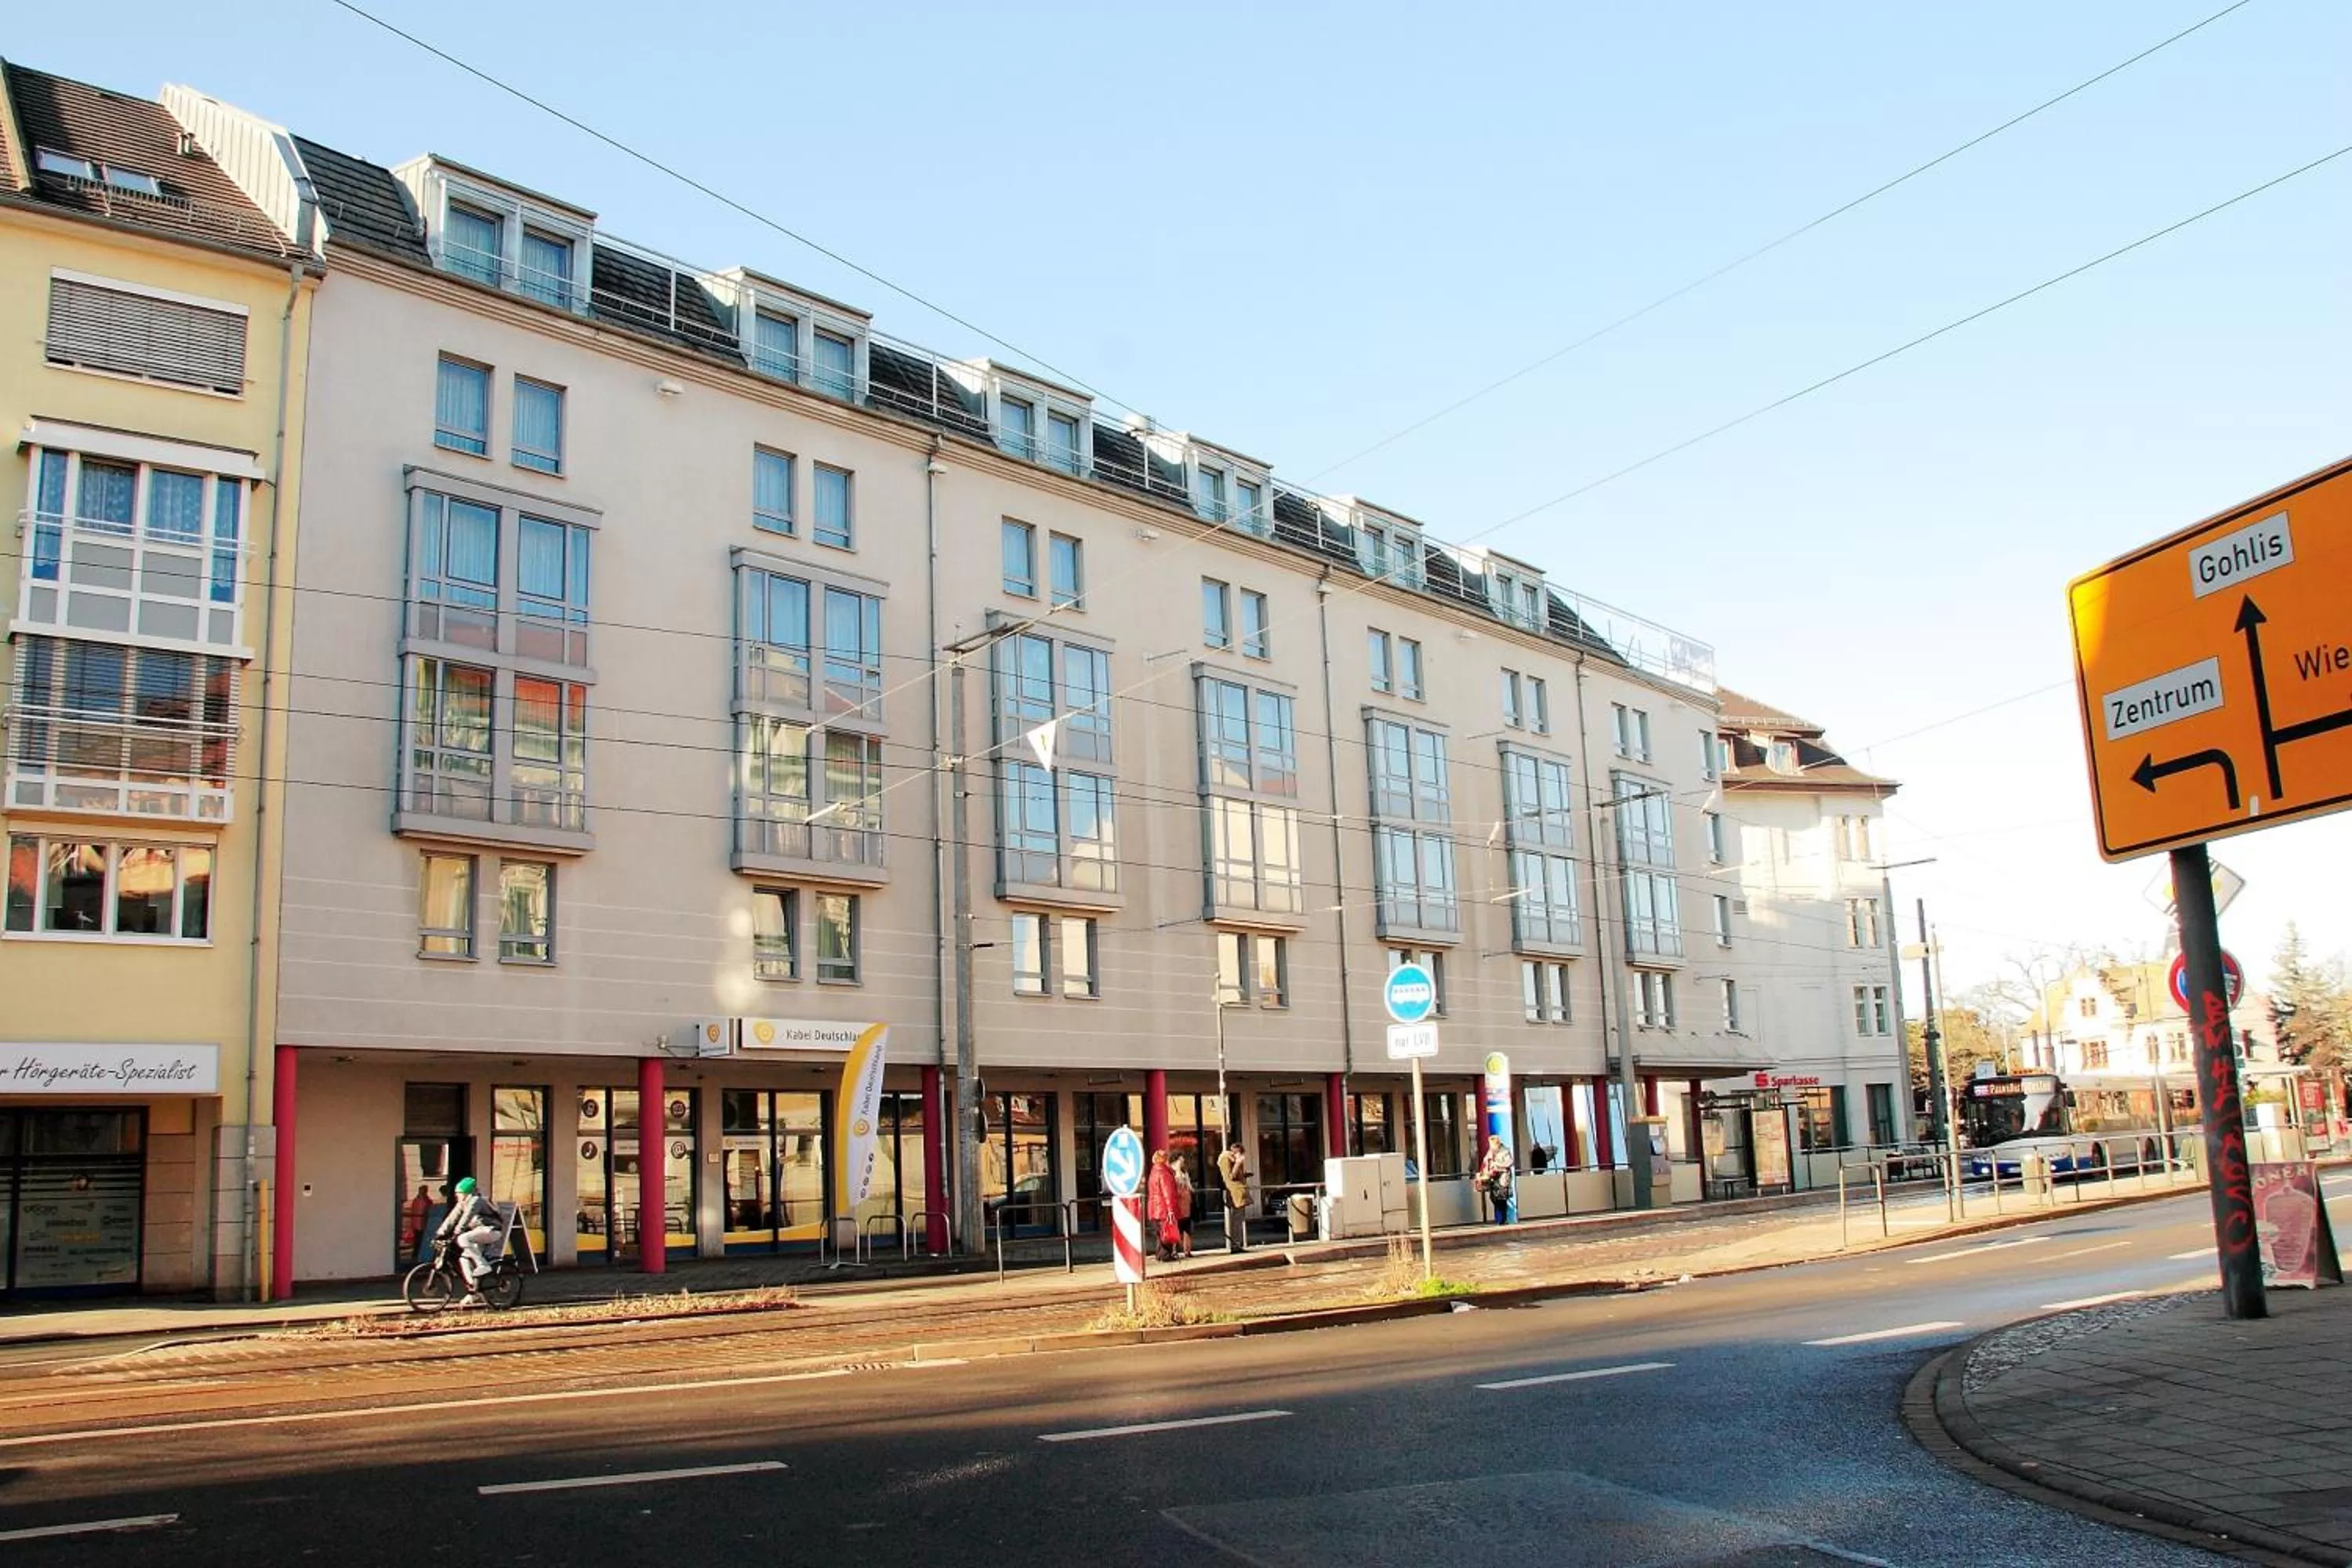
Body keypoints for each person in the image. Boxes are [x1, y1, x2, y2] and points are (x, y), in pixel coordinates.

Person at [433, 1176, 503, 1302]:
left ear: (467, 1193)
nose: (457, 1196)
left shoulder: (476, 1200)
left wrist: (456, 1233)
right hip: (478, 1233)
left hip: (490, 1230)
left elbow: (466, 1217)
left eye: (459, 1193)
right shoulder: (462, 1203)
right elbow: (452, 1218)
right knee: (464, 1259)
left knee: (463, 1238)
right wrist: (440, 1233)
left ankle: (483, 1266)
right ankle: (473, 1291)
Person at [1145, 1149, 1182, 1263]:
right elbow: (1168, 1193)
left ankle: (1160, 1254)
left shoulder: (1153, 1172)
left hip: (1154, 1208)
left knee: (1160, 1233)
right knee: (1167, 1232)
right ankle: (1166, 1255)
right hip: (1163, 1208)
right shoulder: (1164, 1173)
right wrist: (1171, 1210)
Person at [1475, 1134, 1516, 1225]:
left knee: (1502, 1198)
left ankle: (1503, 1219)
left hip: (1502, 1177)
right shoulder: (1491, 1151)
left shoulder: (1505, 1151)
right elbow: (1486, 1161)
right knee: (1494, 1197)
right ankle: (1502, 1217)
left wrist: (1497, 1164)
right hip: (1493, 1177)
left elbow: (1510, 1162)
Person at [1217, 1141, 1250, 1254]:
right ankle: (1235, 1245)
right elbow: (1232, 1176)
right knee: (1237, 1220)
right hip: (1236, 1193)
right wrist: (1238, 1162)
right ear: (1238, 1152)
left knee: (1238, 1219)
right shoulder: (1229, 1160)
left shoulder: (1228, 1160)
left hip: (1236, 1192)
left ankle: (1237, 1244)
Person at [1170, 1152, 1196, 1259]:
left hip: (1187, 1204)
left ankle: (1187, 1250)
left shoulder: (1184, 1172)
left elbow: (1189, 1187)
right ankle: (1174, 1250)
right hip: (1178, 1205)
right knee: (1177, 1229)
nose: (1182, 1162)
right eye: (1180, 1160)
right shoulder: (1172, 1173)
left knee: (1188, 1228)